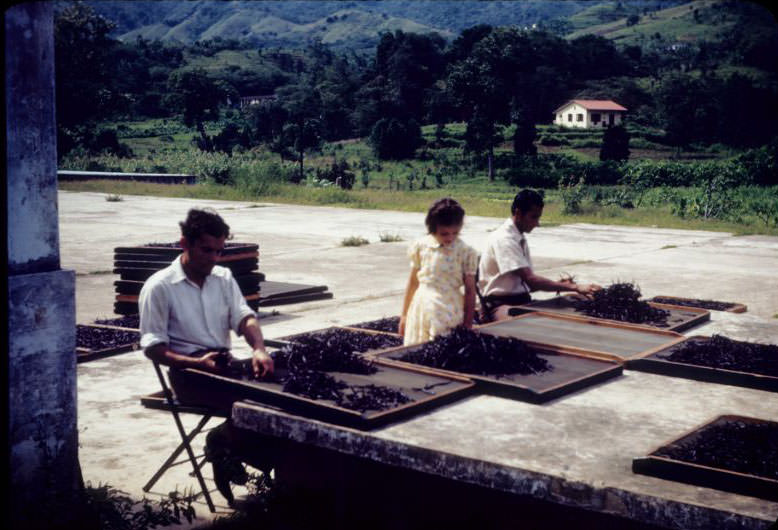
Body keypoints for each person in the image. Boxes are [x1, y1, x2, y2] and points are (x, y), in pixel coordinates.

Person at [139, 207, 275, 506]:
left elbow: (245, 319)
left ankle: (231, 444)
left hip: (223, 365)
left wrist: (259, 349)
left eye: (219, 251)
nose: (213, 258)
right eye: (206, 250)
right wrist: (196, 363)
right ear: (184, 243)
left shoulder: (223, 278)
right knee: (260, 406)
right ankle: (224, 445)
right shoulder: (159, 287)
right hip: (188, 373)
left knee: (286, 391)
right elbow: (152, 347)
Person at [478, 189, 600, 321]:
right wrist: (575, 287)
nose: (537, 223)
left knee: (578, 301)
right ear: (518, 213)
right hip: (500, 305)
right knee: (526, 325)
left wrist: (560, 285)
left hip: (521, 301)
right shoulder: (504, 239)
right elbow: (532, 281)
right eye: (534, 217)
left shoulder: (518, 238)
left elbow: (527, 285)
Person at [399, 197, 479, 345]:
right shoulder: (421, 246)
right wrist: (404, 315)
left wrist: (468, 323)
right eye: (444, 233)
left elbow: (470, 290)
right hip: (422, 305)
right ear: (433, 229)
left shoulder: (466, 252)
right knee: (417, 348)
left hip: (448, 308)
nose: (450, 238)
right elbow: (413, 282)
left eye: (455, 233)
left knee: (441, 346)